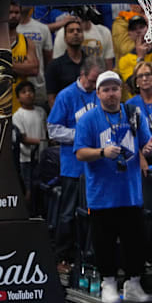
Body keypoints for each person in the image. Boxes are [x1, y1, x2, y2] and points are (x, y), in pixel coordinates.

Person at [74, 71, 152, 303]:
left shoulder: (133, 114)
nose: (111, 94)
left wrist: (147, 151)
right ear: (98, 93)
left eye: (115, 89)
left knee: (134, 241)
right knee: (105, 241)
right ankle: (107, 283)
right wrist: (102, 152)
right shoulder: (89, 120)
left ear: (121, 91)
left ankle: (133, 284)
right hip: (102, 194)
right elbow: (80, 152)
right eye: (106, 90)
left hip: (130, 192)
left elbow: (144, 143)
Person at [46, 57, 103, 272]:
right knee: (68, 213)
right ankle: (63, 257)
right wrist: (81, 134)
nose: (94, 86)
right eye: (91, 81)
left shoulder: (101, 94)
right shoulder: (67, 95)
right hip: (72, 166)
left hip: (96, 166)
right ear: (82, 75)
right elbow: (53, 129)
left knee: (93, 213)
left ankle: (89, 258)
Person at [13, 81, 47, 211]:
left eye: (30, 91)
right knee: (28, 188)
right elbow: (23, 138)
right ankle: (28, 212)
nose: (28, 94)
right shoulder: (17, 115)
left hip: (42, 157)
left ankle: (40, 211)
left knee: (41, 187)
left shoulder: (41, 111)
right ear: (18, 97)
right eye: (24, 92)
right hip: (26, 158)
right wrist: (43, 141)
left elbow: (45, 129)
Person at [45, 20, 84, 107]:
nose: (75, 33)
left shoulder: (92, 63)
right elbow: (52, 99)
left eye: (79, 30)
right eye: (71, 31)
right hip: (65, 114)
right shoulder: (54, 66)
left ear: (83, 36)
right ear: (65, 38)